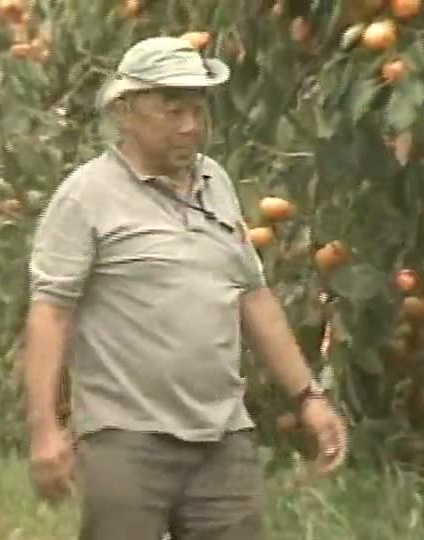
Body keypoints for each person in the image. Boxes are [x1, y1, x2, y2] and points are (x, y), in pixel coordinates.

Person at [22, 36, 347, 540]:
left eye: (197, 109)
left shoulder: (215, 183)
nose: (190, 125)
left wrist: (309, 395)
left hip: (223, 439)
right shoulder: (86, 197)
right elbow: (51, 314)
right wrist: (45, 429)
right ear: (125, 110)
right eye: (172, 110)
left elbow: (252, 296)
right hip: (126, 442)